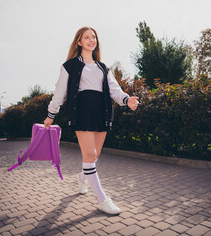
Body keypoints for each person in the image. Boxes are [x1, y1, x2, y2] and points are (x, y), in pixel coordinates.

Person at [43, 26, 139, 215]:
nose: (91, 40)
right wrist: (50, 115)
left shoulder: (103, 68)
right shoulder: (69, 66)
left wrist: (127, 100)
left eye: (93, 37)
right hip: (82, 112)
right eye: (86, 37)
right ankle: (103, 200)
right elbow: (60, 92)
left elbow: (115, 90)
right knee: (89, 155)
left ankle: (82, 177)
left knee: (94, 157)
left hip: (102, 113)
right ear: (79, 42)